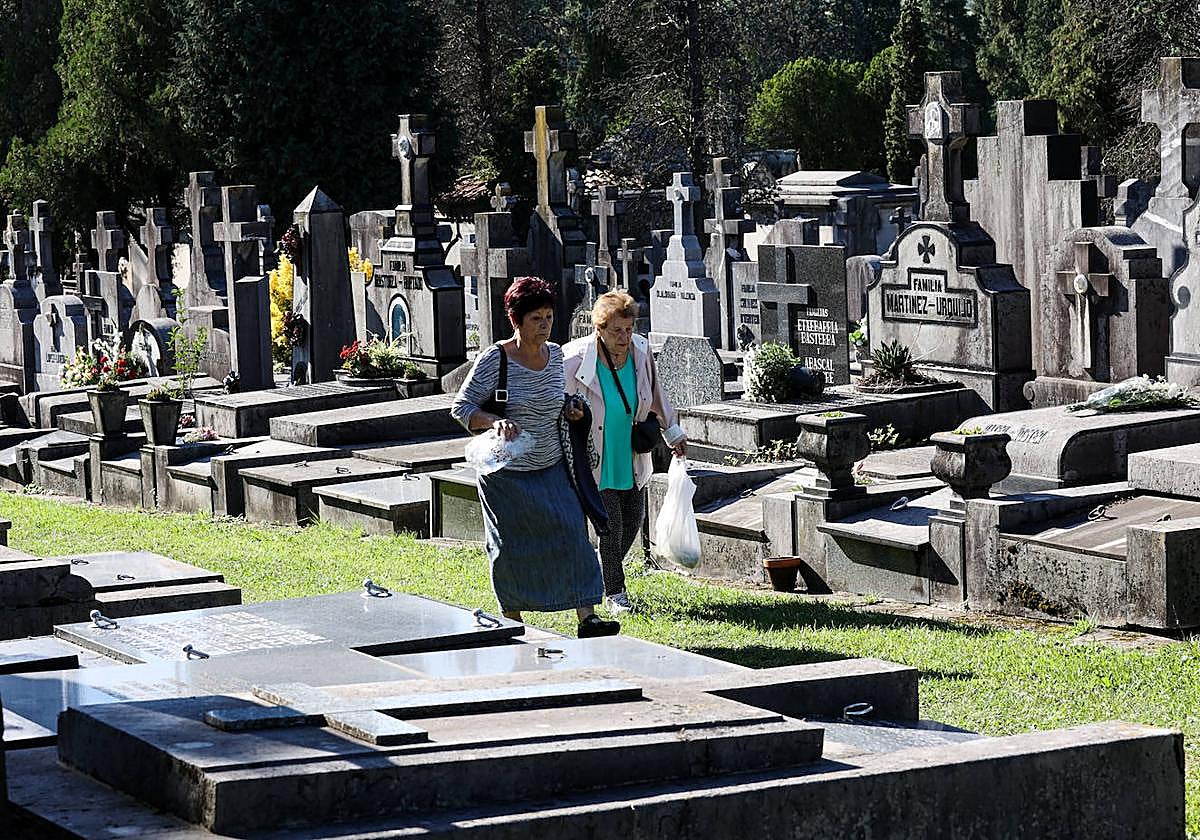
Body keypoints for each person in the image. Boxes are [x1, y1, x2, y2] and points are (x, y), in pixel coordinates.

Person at [451, 277, 619, 638]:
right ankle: (511, 619)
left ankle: (587, 616)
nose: (544, 326)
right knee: (511, 548)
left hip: (552, 464)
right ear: (516, 321)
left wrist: (573, 410)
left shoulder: (556, 354)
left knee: (573, 533)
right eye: (535, 320)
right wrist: (494, 421)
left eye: (548, 317)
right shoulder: (494, 359)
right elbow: (461, 408)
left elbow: (557, 402)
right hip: (506, 475)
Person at [564, 291, 687, 615]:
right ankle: (615, 593)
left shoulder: (641, 352)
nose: (624, 337)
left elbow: (657, 395)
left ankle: (597, 572)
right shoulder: (576, 359)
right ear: (599, 329)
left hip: (630, 453)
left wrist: (672, 432)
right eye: (616, 331)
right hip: (596, 456)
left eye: (629, 329)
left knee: (633, 522)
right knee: (611, 526)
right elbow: (558, 403)